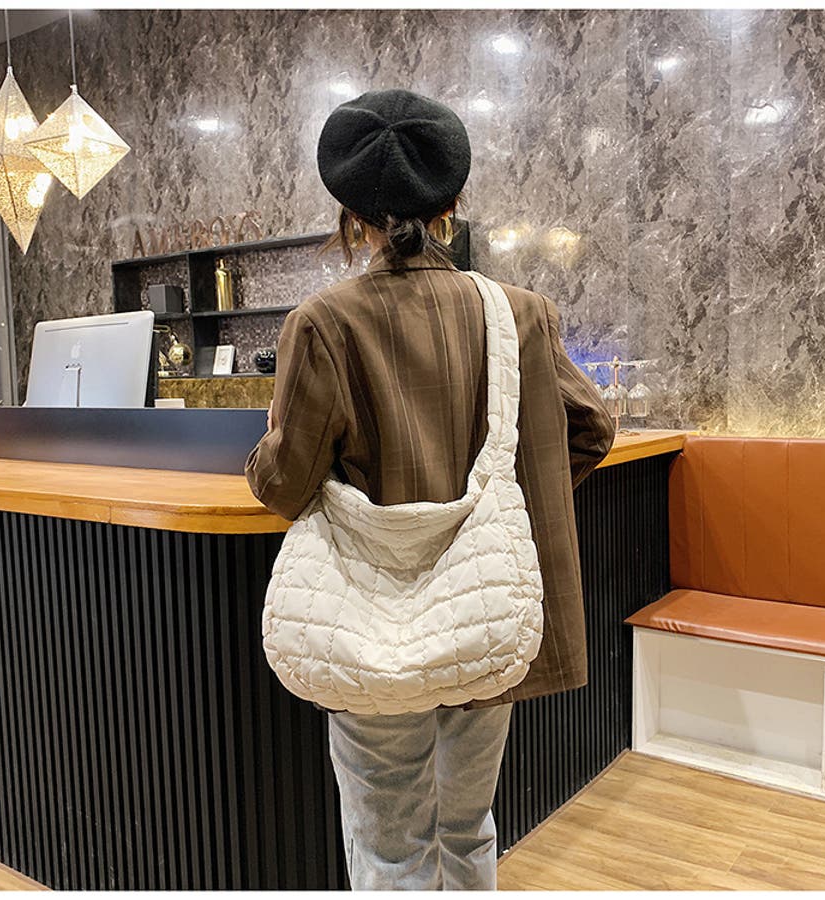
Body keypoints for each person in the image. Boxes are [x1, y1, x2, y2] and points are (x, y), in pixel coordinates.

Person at [245, 88, 616, 891]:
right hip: (487, 609)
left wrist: (264, 455)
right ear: (451, 204)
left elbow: (284, 483)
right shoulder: (519, 314)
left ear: (351, 214)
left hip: (371, 626)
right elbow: (591, 428)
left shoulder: (324, 323)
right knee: (468, 827)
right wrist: (506, 497)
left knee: (392, 850)